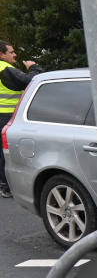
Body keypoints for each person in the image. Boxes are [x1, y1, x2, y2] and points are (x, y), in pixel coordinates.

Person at [0, 40, 44, 198]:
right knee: (7, 151)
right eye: (11, 52)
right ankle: (6, 185)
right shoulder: (5, 68)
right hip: (7, 115)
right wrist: (33, 67)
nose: (15, 54)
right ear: (1, 54)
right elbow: (29, 82)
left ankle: (4, 184)